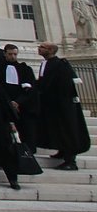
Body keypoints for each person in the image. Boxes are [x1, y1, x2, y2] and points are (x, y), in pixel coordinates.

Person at [36, 42, 91, 170]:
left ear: (50, 50)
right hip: (52, 105)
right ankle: (62, 150)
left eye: (42, 47)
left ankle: (71, 161)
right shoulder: (46, 63)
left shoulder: (61, 64)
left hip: (62, 105)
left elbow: (64, 85)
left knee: (67, 130)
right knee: (57, 129)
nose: (39, 49)